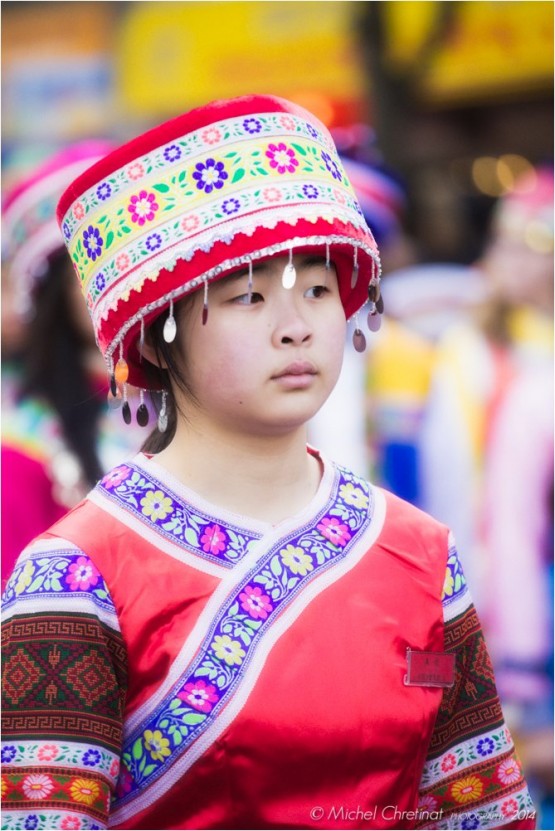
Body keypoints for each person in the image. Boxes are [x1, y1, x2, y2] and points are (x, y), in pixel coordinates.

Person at [1, 95, 535, 831]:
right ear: (155, 339)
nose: (296, 327)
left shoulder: (419, 552)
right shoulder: (75, 573)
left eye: (317, 290)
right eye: (249, 297)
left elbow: (483, 811)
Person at [1, 144, 147, 587]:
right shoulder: (22, 444)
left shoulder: (216, 401)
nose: (123, 285)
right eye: (95, 272)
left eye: (138, 259)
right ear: (56, 297)